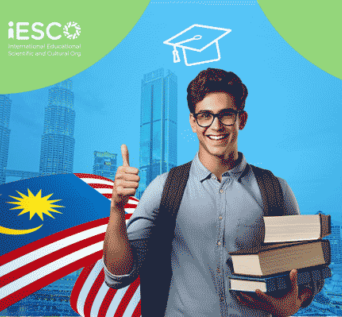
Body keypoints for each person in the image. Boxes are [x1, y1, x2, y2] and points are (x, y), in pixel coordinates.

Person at [102, 68, 321, 317]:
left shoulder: (275, 190)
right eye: (205, 115)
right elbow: (118, 276)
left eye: (226, 115)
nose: (216, 126)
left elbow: (307, 270)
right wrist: (117, 208)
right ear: (193, 122)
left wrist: (296, 301)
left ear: (242, 119)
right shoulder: (163, 190)